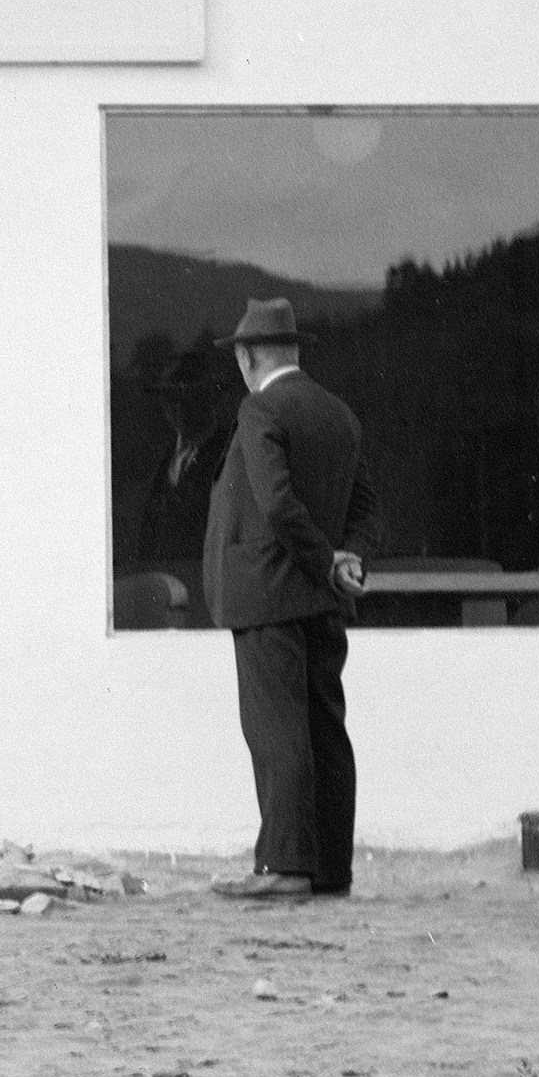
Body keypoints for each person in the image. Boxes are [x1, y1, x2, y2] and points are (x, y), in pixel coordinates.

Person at [199, 299, 382, 902]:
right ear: (295, 350)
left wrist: (325, 559)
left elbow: (275, 505)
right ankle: (330, 870)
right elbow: (366, 504)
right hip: (321, 602)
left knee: (277, 734)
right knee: (326, 733)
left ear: (248, 356)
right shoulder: (339, 415)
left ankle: (284, 866)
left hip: (266, 598)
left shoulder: (260, 411)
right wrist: (345, 556)